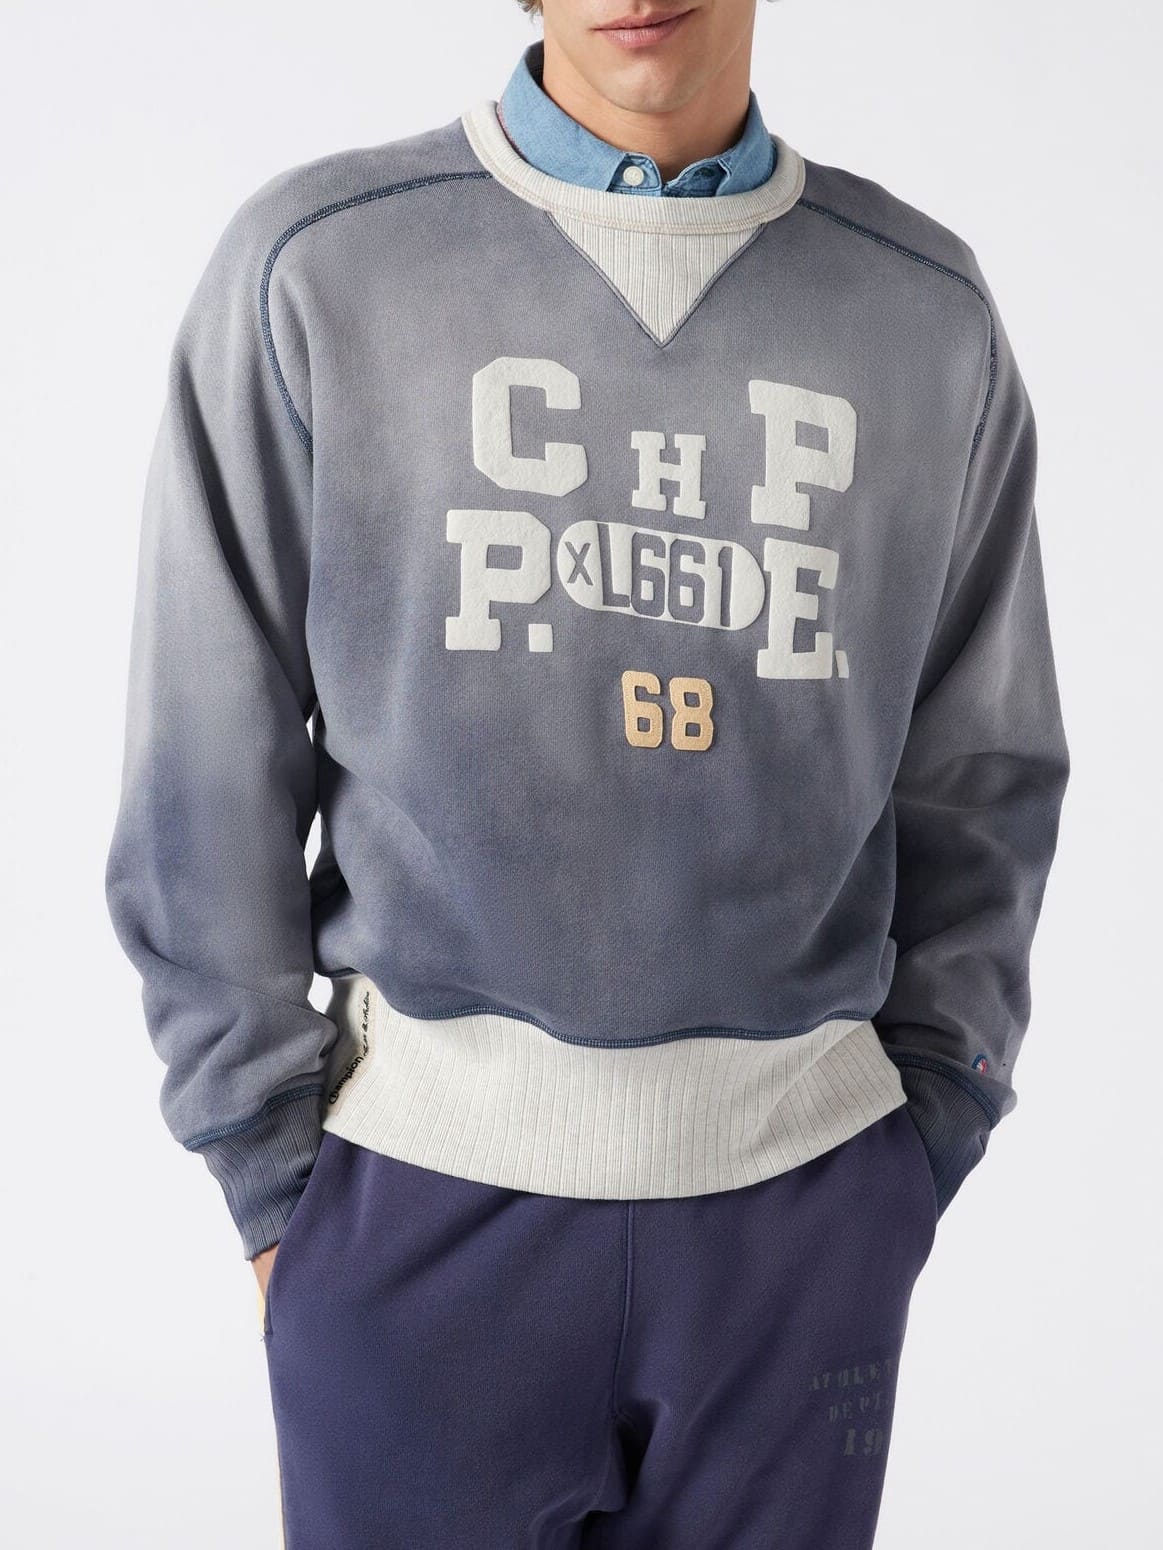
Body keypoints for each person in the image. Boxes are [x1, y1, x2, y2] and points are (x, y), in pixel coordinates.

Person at [103, 2, 1071, 1545]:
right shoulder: (321, 271)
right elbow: (202, 765)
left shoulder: (924, 317)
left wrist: (920, 1132)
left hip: (802, 1225)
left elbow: (985, 773)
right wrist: (274, 1180)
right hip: (414, 1223)